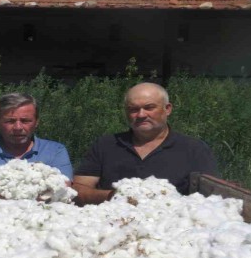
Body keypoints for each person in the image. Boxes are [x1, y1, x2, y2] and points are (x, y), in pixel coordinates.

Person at [72, 82, 218, 205]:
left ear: (167, 109)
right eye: (133, 109)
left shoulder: (194, 149)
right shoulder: (106, 145)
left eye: (149, 107)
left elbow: (209, 200)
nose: (141, 115)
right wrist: (113, 196)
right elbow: (78, 191)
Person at [0, 93, 73, 205]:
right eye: (10, 121)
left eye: (25, 121)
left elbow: (63, 190)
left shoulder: (55, 151)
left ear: (36, 122)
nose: (18, 128)